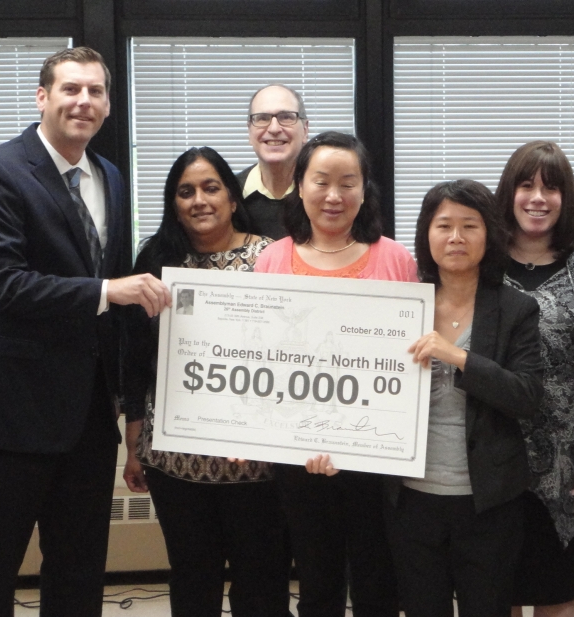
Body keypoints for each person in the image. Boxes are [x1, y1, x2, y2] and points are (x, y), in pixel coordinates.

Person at [0, 47, 171, 617]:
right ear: (42, 97)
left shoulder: (111, 177)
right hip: (11, 414)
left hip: (89, 419)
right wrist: (107, 291)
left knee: (78, 571)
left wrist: (129, 408)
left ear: (107, 105)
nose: (84, 101)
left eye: (96, 91)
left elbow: (117, 309)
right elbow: (0, 283)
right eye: (71, 89)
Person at [121, 147, 290, 617]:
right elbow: (135, 356)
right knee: (193, 580)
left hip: (256, 462)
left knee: (262, 585)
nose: (199, 200)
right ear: (173, 204)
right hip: (175, 459)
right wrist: (133, 439)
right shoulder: (156, 260)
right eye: (185, 192)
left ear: (233, 198)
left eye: (211, 188)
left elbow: (292, 350)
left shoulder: (272, 258)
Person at [254, 131, 416, 617]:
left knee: (377, 583)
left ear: (364, 191)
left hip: (376, 458)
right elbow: (260, 358)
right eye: (321, 181)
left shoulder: (395, 258)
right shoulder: (272, 260)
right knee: (317, 584)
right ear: (300, 186)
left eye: (348, 183)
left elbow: (410, 361)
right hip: (297, 457)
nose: (333, 195)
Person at [374, 179, 543, 617]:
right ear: (426, 234)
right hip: (410, 497)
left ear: (489, 235)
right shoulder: (400, 306)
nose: (456, 237)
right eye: (443, 225)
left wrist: (459, 357)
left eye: (470, 225)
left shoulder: (516, 309)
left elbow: (527, 396)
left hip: (487, 500)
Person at [495, 142, 574, 617]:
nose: (538, 198)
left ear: (567, 198)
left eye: (551, 188)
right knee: (496, 593)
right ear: (509, 193)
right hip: (492, 457)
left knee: (556, 593)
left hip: (568, 466)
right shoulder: (481, 264)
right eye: (526, 185)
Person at [237, 84, 309, 239]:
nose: (274, 129)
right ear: (249, 131)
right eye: (262, 118)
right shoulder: (230, 195)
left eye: (286, 117)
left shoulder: (323, 195)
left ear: (305, 130)